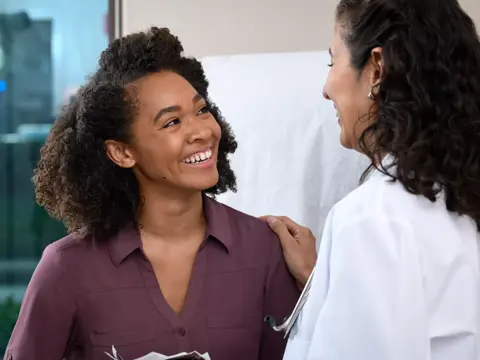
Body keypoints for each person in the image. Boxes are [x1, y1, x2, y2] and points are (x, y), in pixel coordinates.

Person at [4, 27, 300, 360]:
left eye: (201, 110)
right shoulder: (66, 269)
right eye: (172, 122)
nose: (202, 131)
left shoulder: (264, 250)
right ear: (122, 152)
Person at [264, 0, 480, 359]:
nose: (326, 87)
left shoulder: (372, 219)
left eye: (333, 62)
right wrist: (324, 280)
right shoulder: (460, 201)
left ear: (377, 69)